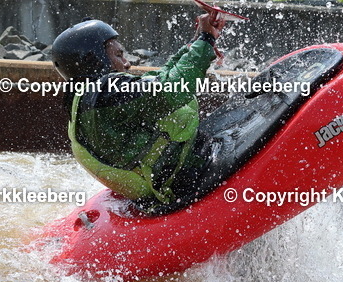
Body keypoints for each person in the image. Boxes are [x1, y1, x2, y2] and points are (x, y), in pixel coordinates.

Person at [51, 14, 226, 214]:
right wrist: (206, 40)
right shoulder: (108, 94)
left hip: (154, 184)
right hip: (179, 184)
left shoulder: (85, 96)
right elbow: (175, 89)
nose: (127, 63)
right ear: (94, 59)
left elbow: (159, 78)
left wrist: (197, 42)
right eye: (118, 55)